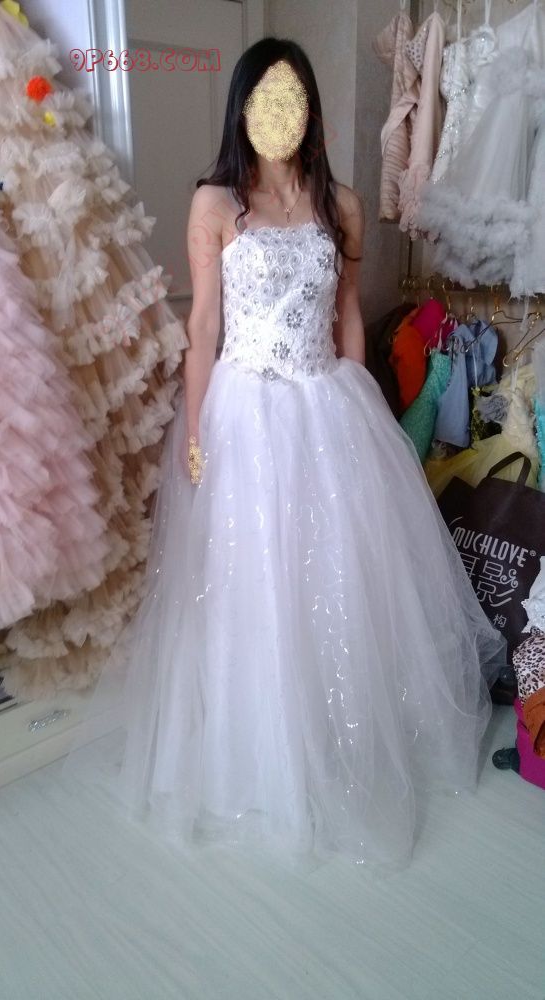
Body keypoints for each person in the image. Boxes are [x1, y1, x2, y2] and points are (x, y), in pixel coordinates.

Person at [62, 37, 506, 871]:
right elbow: (202, 327)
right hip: (244, 406)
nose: (278, 113)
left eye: (292, 98)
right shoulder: (214, 203)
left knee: (333, 572)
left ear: (309, 110)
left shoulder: (341, 203)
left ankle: (333, 734)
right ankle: (258, 744)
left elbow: (346, 312)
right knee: (250, 575)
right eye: (264, 98)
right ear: (241, 110)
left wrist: (363, 402)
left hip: (324, 400)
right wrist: (198, 430)